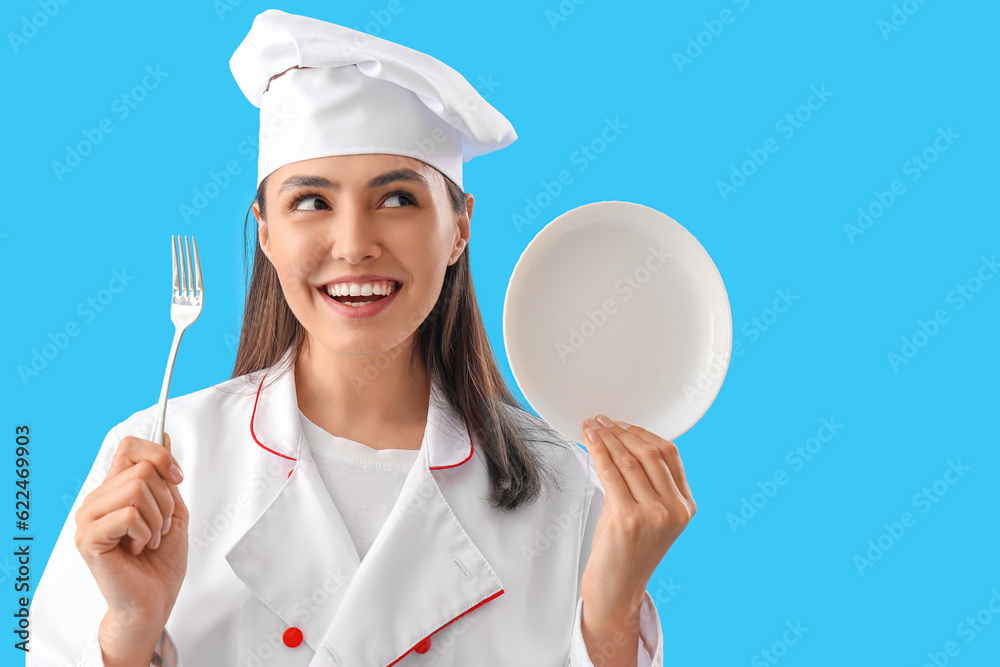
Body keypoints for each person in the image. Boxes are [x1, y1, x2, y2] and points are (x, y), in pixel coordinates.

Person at [28, 9, 696, 666]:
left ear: (460, 225)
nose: (354, 245)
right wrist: (129, 631)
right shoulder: (160, 457)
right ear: (265, 230)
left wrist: (612, 620)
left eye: (398, 198)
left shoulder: (565, 489)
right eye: (311, 201)